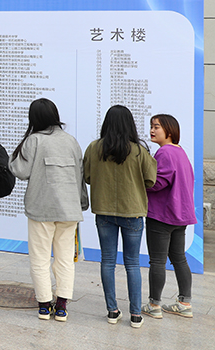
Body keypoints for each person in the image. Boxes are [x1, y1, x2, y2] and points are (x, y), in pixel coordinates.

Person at [8, 98, 88, 321]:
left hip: (41, 209)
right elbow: (80, 176)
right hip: (69, 210)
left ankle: (44, 305)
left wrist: (12, 157)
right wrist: (82, 203)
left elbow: (21, 171)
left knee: (40, 258)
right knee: (64, 259)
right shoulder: (71, 141)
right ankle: (61, 306)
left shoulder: (33, 140)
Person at [83, 105, 157, 328]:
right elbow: (151, 180)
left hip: (104, 211)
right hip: (132, 211)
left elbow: (87, 177)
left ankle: (112, 311)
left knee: (107, 261)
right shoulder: (138, 150)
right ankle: (135, 315)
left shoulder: (94, 148)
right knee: (132, 263)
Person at [142, 114, 197, 319]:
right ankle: (184, 303)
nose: (152, 130)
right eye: (152, 126)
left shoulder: (164, 152)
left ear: (170, 131)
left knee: (157, 261)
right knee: (179, 258)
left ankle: (154, 305)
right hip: (180, 215)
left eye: (157, 127)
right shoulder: (180, 151)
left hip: (162, 214)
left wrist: (139, 183)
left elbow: (158, 183)